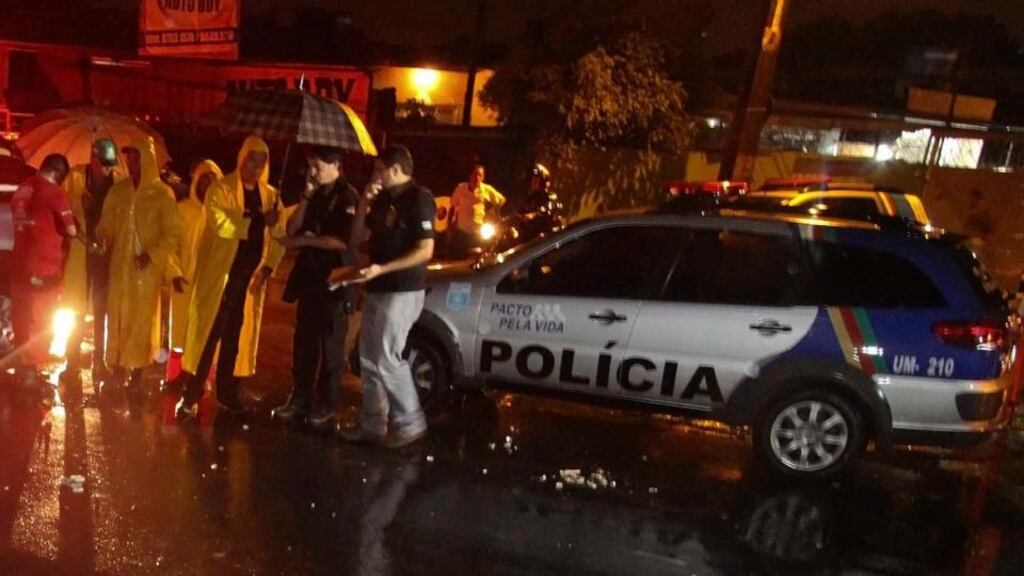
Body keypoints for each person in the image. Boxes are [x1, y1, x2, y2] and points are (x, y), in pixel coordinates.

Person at [175, 136, 285, 419]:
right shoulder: (220, 190)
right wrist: (261, 220)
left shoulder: (271, 196)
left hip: (248, 280)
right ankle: (192, 394)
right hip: (220, 277)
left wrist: (268, 268)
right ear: (241, 157)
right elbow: (222, 223)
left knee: (235, 336)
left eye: (262, 162)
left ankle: (227, 391)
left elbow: (279, 237)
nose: (256, 167)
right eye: (252, 159)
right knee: (209, 336)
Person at [338, 144, 435, 448]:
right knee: (368, 356)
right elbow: (356, 240)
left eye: (379, 169)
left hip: (403, 289)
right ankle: (373, 424)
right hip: (377, 287)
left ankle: (410, 423)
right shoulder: (382, 201)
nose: (374, 175)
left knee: (387, 356)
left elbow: (425, 249)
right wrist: (366, 202)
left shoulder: (419, 199)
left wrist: (383, 268)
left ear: (395, 169)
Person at [273, 146, 359, 431]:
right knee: (304, 342)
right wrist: (306, 197)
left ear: (335, 164)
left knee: (331, 344)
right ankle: (299, 397)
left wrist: (307, 241)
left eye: (317, 165)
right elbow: (292, 227)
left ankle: (328, 402)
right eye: (310, 165)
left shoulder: (348, 197)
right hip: (309, 277)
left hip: (335, 278)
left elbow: (342, 242)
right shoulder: (316, 193)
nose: (313, 171)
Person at [96, 137, 183, 407]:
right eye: (128, 156)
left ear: (147, 158)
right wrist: (102, 240)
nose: (131, 161)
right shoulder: (118, 191)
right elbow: (106, 225)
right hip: (120, 268)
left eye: (135, 156)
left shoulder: (162, 194)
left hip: (146, 274)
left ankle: (137, 374)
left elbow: (172, 234)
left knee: (142, 323)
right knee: (119, 318)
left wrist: (152, 256)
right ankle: (118, 369)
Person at [9, 154, 75, 391]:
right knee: (40, 321)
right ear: (59, 174)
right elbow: (72, 230)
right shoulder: (53, 192)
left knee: (22, 319)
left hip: (19, 265)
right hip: (43, 268)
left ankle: (22, 370)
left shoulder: (23, 188)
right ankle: (31, 373)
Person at [62, 138, 119, 388]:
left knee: (101, 311)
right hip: (80, 252)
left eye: (110, 165)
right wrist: (78, 204)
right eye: (103, 164)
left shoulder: (116, 186)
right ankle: (71, 361)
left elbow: (117, 218)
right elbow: (62, 207)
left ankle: (99, 360)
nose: (106, 169)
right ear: (93, 159)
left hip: (104, 257)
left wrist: (109, 240)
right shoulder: (75, 178)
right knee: (75, 310)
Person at [169, 160, 222, 352]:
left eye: (212, 182)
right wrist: (174, 272)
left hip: (210, 285)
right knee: (180, 335)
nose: (207, 186)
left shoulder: (222, 215)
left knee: (206, 333)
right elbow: (170, 244)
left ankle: (201, 378)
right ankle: (175, 376)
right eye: (203, 181)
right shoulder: (182, 210)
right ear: (196, 183)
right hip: (184, 281)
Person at [447, 162, 505, 259]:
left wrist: (492, 212)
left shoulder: (486, 189)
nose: (477, 178)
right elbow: (452, 206)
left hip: (477, 233)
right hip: (462, 232)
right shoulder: (461, 188)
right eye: (475, 174)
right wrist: (449, 226)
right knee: (458, 260)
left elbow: (501, 200)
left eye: (480, 175)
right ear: (470, 175)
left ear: (482, 178)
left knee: (477, 259)